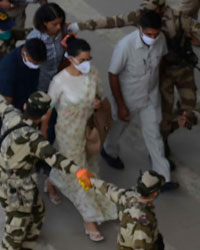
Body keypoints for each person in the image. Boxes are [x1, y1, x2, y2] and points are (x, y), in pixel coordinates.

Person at [75, 0, 200, 164]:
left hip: (183, 69)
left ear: (162, 9)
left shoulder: (178, 18)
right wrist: (78, 27)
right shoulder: (142, 17)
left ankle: (173, 127)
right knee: (163, 115)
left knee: (190, 109)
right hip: (161, 72)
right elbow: (112, 21)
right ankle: (160, 146)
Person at [44, 35, 118, 241]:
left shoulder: (92, 73)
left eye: (89, 59)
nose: (87, 64)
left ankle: (52, 181)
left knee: (91, 166)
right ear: (70, 58)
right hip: (68, 133)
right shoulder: (59, 81)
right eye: (82, 60)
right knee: (80, 173)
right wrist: (43, 136)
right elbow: (48, 110)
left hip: (88, 128)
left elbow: (100, 96)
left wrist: (95, 104)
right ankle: (89, 219)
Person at [0, 91, 91, 250]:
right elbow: (57, 160)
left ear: (25, 105)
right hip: (18, 190)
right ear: (44, 116)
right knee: (15, 231)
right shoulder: (35, 140)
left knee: (37, 212)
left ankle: (28, 244)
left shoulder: (10, 115)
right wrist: (80, 172)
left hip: (9, 180)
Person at [101, 10, 179, 191]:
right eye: (149, 34)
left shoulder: (160, 41)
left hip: (150, 97)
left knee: (154, 135)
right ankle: (108, 150)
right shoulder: (125, 46)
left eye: (156, 34)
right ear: (139, 29)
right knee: (118, 127)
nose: (153, 37)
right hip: (127, 97)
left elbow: (159, 63)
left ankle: (163, 177)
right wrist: (121, 105)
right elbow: (113, 74)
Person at [79, 170, 165, 250]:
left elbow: (109, 190)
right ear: (155, 193)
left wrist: (91, 181)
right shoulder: (142, 222)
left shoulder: (129, 196)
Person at [27, 2, 67, 92]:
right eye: (54, 24)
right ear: (45, 23)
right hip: (40, 83)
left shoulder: (62, 31)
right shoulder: (34, 39)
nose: (59, 27)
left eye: (60, 23)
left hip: (58, 79)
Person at [0, 38, 46, 111]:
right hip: (15, 107)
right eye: (34, 63)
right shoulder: (8, 69)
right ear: (23, 54)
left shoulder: (33, 55)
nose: (36, 66)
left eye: (38, 64)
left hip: (28, 98)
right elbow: (7, 101)